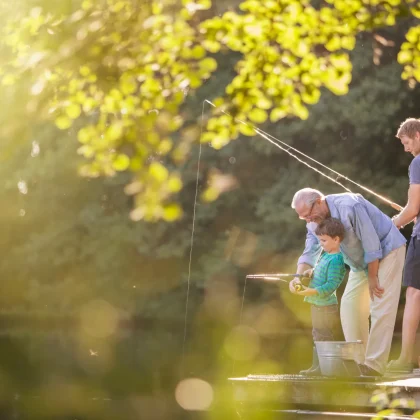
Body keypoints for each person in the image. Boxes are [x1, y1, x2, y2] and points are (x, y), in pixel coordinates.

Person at [289, 188, 406, 376]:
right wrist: (297, 276)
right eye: (304, 218)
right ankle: (359, 363)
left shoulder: (350, 206)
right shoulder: (313, 222)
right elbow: (310, 248)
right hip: (359, 262)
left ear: (319, 201)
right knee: (350, 306)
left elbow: (372, 244)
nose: (309, 220)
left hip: (387, 250)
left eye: (309, 215)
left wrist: (373, 278)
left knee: (380, 305)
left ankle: (374, 366)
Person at [293, 217, 346, 375]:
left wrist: (310, 291)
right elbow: (318, 271)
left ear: (336, 239)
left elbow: (331, 285)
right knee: (318, 335)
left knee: (324, 336)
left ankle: (325, 369)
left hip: (326, 307)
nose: (321, 243)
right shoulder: (324, 255)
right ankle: (319, 367)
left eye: (323, 240)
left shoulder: (337, 259)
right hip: (317, 304)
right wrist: (310, 272)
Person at [387, 118, 420, 373]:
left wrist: (393, 224)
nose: (406, 149)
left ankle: (406, 359)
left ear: (417, 135)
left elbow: (413, 208)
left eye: (407, 143)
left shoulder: (418, 162)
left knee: (414, 294)